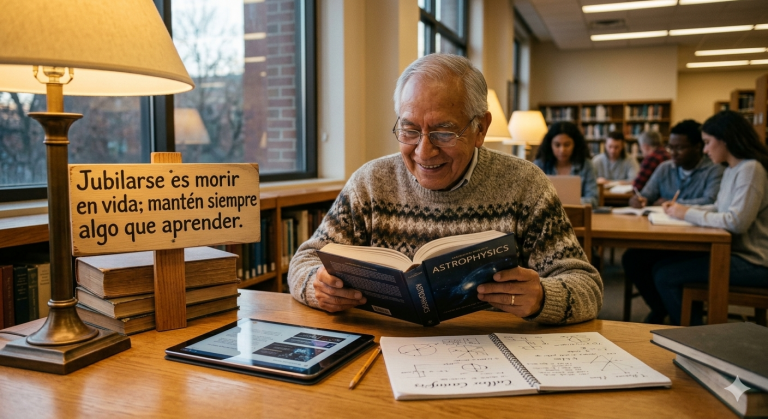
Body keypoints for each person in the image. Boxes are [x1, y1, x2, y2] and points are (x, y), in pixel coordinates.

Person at [287, 54, 602, 325]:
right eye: (409, 130)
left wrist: (544, 298)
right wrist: (317, 286)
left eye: (443, 132)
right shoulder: (370, 183)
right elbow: (304, 262)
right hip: (384, 351)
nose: (424, 152)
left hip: (495, 356)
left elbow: (587, 286)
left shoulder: (526, 186)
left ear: (481, 128)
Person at [653, 110, 768, 325]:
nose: (704, 150)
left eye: (707, 142)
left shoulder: (751, 169)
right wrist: (681, 207)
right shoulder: (733, 169)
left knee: (665, 276)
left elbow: (736, 222)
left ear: (725, 140)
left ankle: (695, 336)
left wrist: (686, 213)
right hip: (736, 254)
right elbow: (718, 207)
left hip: (755, 261)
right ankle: (689, 325)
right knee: (661, 266)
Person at [628, 120, 723, 209]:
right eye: (670, 147)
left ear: (697, 147)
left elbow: (711, 201)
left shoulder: (714, 170)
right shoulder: (664, 168)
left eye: (679, 148)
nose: (673, 153)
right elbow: (646, 195)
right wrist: (638, 200)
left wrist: (673, 203)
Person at [533, 122, 599, 207]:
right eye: (557, 145)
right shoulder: (539, 165)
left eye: (567, 145)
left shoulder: (586, 165)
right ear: (550, 145)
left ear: (575, 145)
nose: (562, 150)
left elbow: (593, 200)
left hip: (576, 215)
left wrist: (557, 202)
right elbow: (532, 198)